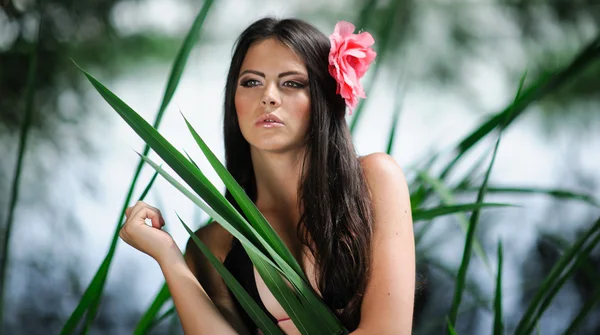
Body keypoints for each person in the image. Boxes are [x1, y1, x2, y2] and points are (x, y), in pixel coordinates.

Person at [119, 17, 416, 334]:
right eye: (251, 82)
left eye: (292, 83)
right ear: (233, 101)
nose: (269, 97)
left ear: (323, 99)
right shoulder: (214, 244)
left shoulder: (374, 180)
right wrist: (168, 257)